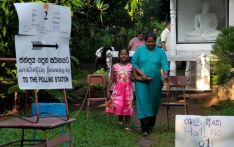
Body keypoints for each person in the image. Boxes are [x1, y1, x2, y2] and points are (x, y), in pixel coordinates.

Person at [131, 32, 169, 136]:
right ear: (145, 41)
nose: (150, 44)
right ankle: (144, 128)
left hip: (155, 82)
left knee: (154, 102)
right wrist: (141, 74)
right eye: (148, 42)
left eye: (152, 42)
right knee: (142, 102)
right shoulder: (139, 50)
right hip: (141, 82)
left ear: (155, 41)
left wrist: (165, 74)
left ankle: (151, 124)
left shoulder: (160, 52)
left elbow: (164, 64)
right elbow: (134, 63)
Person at [105, 48, 134, 131]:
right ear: (119, 56)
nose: (123, 56)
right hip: (118, 91)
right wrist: (108, 90)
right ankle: (120, 119)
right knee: (118, 105)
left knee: (128, 107)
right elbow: (111, 79)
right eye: (122, 54)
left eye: (125, 54)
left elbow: (136, 77)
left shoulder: (131, 66)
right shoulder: (114, 66)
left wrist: (144, 78)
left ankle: (128, 126)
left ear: (128, 56)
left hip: (128, 91)